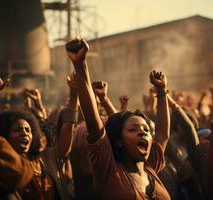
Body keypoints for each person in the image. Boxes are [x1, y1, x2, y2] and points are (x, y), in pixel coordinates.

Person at [66, 38, 171, 199]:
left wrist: (162, 91)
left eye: (146, 130)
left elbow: (162, 134)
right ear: (118, 141)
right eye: (133, 129)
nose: (143, 133)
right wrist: (80, 65)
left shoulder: (150, 167)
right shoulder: (109, 171)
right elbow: (94, 125)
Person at [0, 110, 60, 199]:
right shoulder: (2, 172)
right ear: (5, 135)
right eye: (17, 130)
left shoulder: (42, 173)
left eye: (28, 130)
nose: (24, 133)